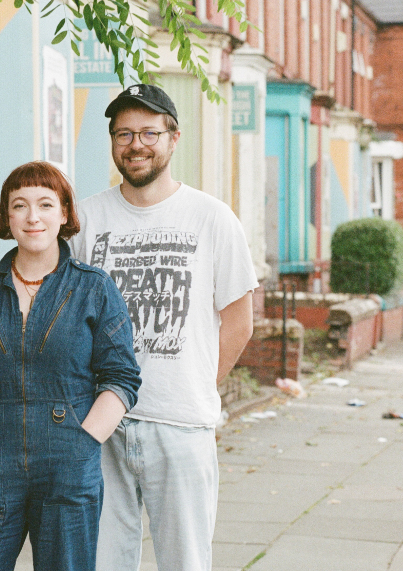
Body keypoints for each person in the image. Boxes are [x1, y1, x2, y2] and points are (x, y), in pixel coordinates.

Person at [69, 84, 257, 571]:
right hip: (101, 426)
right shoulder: (85, 219)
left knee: (186, 561)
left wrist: (195, 384)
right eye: (124, 133)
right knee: (102, 561)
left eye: (150, 132)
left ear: (174, 138)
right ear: (112, 143)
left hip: (181, 423)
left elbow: (239, 322)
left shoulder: (211, 218)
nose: (137, 144)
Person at [0, 162, 141, 571]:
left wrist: (84, 444)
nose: (32, 217)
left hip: (68, 466)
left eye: (46, 204)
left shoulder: (92, 287)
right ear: (7, 217)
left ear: (64, 213)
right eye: (20, 205)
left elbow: (122, 377)